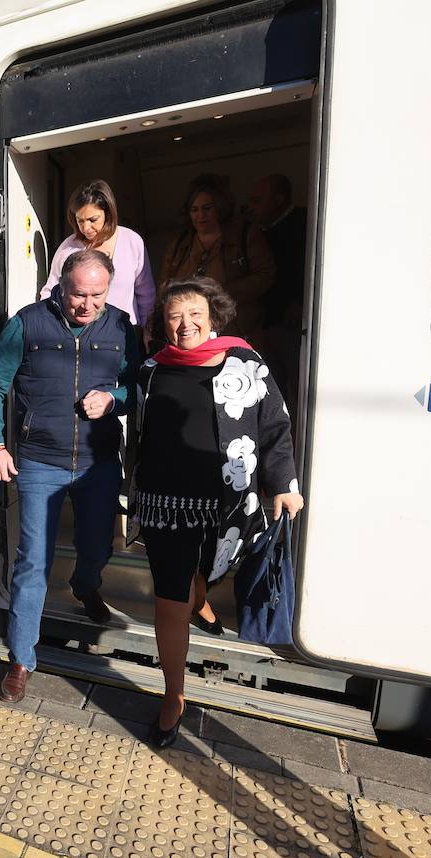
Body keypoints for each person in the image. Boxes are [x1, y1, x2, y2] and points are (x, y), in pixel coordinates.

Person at [134, 277, 302, 748]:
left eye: (194, 314)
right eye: (174, 316)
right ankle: (173, 697)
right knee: (169, 602)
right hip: (165, 506)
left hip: (228, 502)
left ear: (213, 317)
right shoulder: (151, 368)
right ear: (163, 323)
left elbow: (274, 426)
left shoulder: (245, 362)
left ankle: (201, 597)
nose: (184, 324)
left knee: (208, 571)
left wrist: (283, 483)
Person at [0, 249, 141, 703]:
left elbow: (142, 385)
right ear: (59, 288)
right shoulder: (28, 323)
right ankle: (22, 658)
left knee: (97, 547)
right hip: (39, 462)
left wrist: (114, 399)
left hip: (100, 461)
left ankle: (86, 583)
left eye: (96, 295)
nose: (86, 305)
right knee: (32, 563)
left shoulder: (122, 327)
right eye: (77, 294)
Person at [160, 174, 276, 343]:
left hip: (239, 327)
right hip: (191, 331)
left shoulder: (245, 235)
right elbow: (164, 284)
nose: (201, 215)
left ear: (220, 208)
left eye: (207, 208)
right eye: (194, 210)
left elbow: (265, 274)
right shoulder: (179, 244)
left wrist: (219, 294)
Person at [40, 180, 157, 337]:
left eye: (92, 220)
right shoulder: (68, 247)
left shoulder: (131, 240)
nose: (86, 228)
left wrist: (148, 329)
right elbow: (51, 290)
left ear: (108, 214)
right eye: (80, 220)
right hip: (78, 335)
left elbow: (146, 294)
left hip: (125, 332)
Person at [247, 174, 307, 406]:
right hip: (265, 324)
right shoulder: (255, 232)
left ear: (279, 199)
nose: (250, 207)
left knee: (298, 390)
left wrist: (300, 301)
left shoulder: (305, 223)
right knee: (271, 392)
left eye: (256, 201)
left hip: (295, 326)